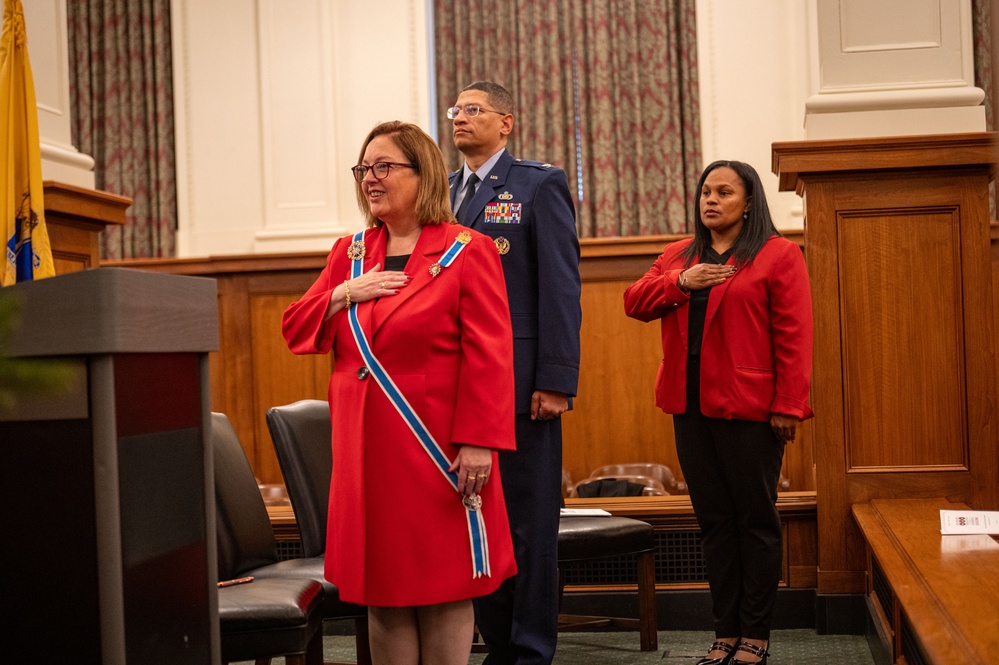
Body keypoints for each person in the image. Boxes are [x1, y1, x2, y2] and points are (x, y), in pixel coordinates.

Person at [282, 120, 518, 665]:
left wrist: (480, 441)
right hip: (366, 452)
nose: (370, 178)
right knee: (382, 592)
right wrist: (344, 292)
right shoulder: (351, 252)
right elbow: (297, 329)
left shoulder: (468, 250)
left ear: (422, 173)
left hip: (437, 448)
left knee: (443, 585)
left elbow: (490, 353)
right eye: (363, 168)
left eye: (384, 167)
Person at [623, 161, 813, 665]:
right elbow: (634, 302)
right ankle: (724, 633)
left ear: (748, 202)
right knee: (714, 524)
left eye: (724, 192)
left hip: (751, 411)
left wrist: (790, 405)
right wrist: (681, 282)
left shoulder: (778, 255)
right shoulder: (678, 256)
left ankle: (756, 635)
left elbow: (794, 338)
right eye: (706, 191)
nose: (711, 199)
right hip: (689, 409)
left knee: (755, 522)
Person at [447, 81, 582, 665]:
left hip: (523, 386)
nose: (459, 118)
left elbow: (559, 286)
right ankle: (498, 645)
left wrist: (555, 378)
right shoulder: (442, 192)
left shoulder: (537, 182)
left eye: (473, 109)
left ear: (506, 122)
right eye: (454, 110)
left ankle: (529, 653)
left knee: (528, 525)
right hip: (457, 387)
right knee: (477, 521)